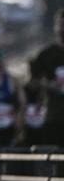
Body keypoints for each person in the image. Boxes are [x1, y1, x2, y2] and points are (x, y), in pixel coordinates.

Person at [26, 10, 64, 146]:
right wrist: (49, 85)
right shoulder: (46, 55)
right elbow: (31, 83)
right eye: (61, 25)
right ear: (56, 27)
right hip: (53, 117)